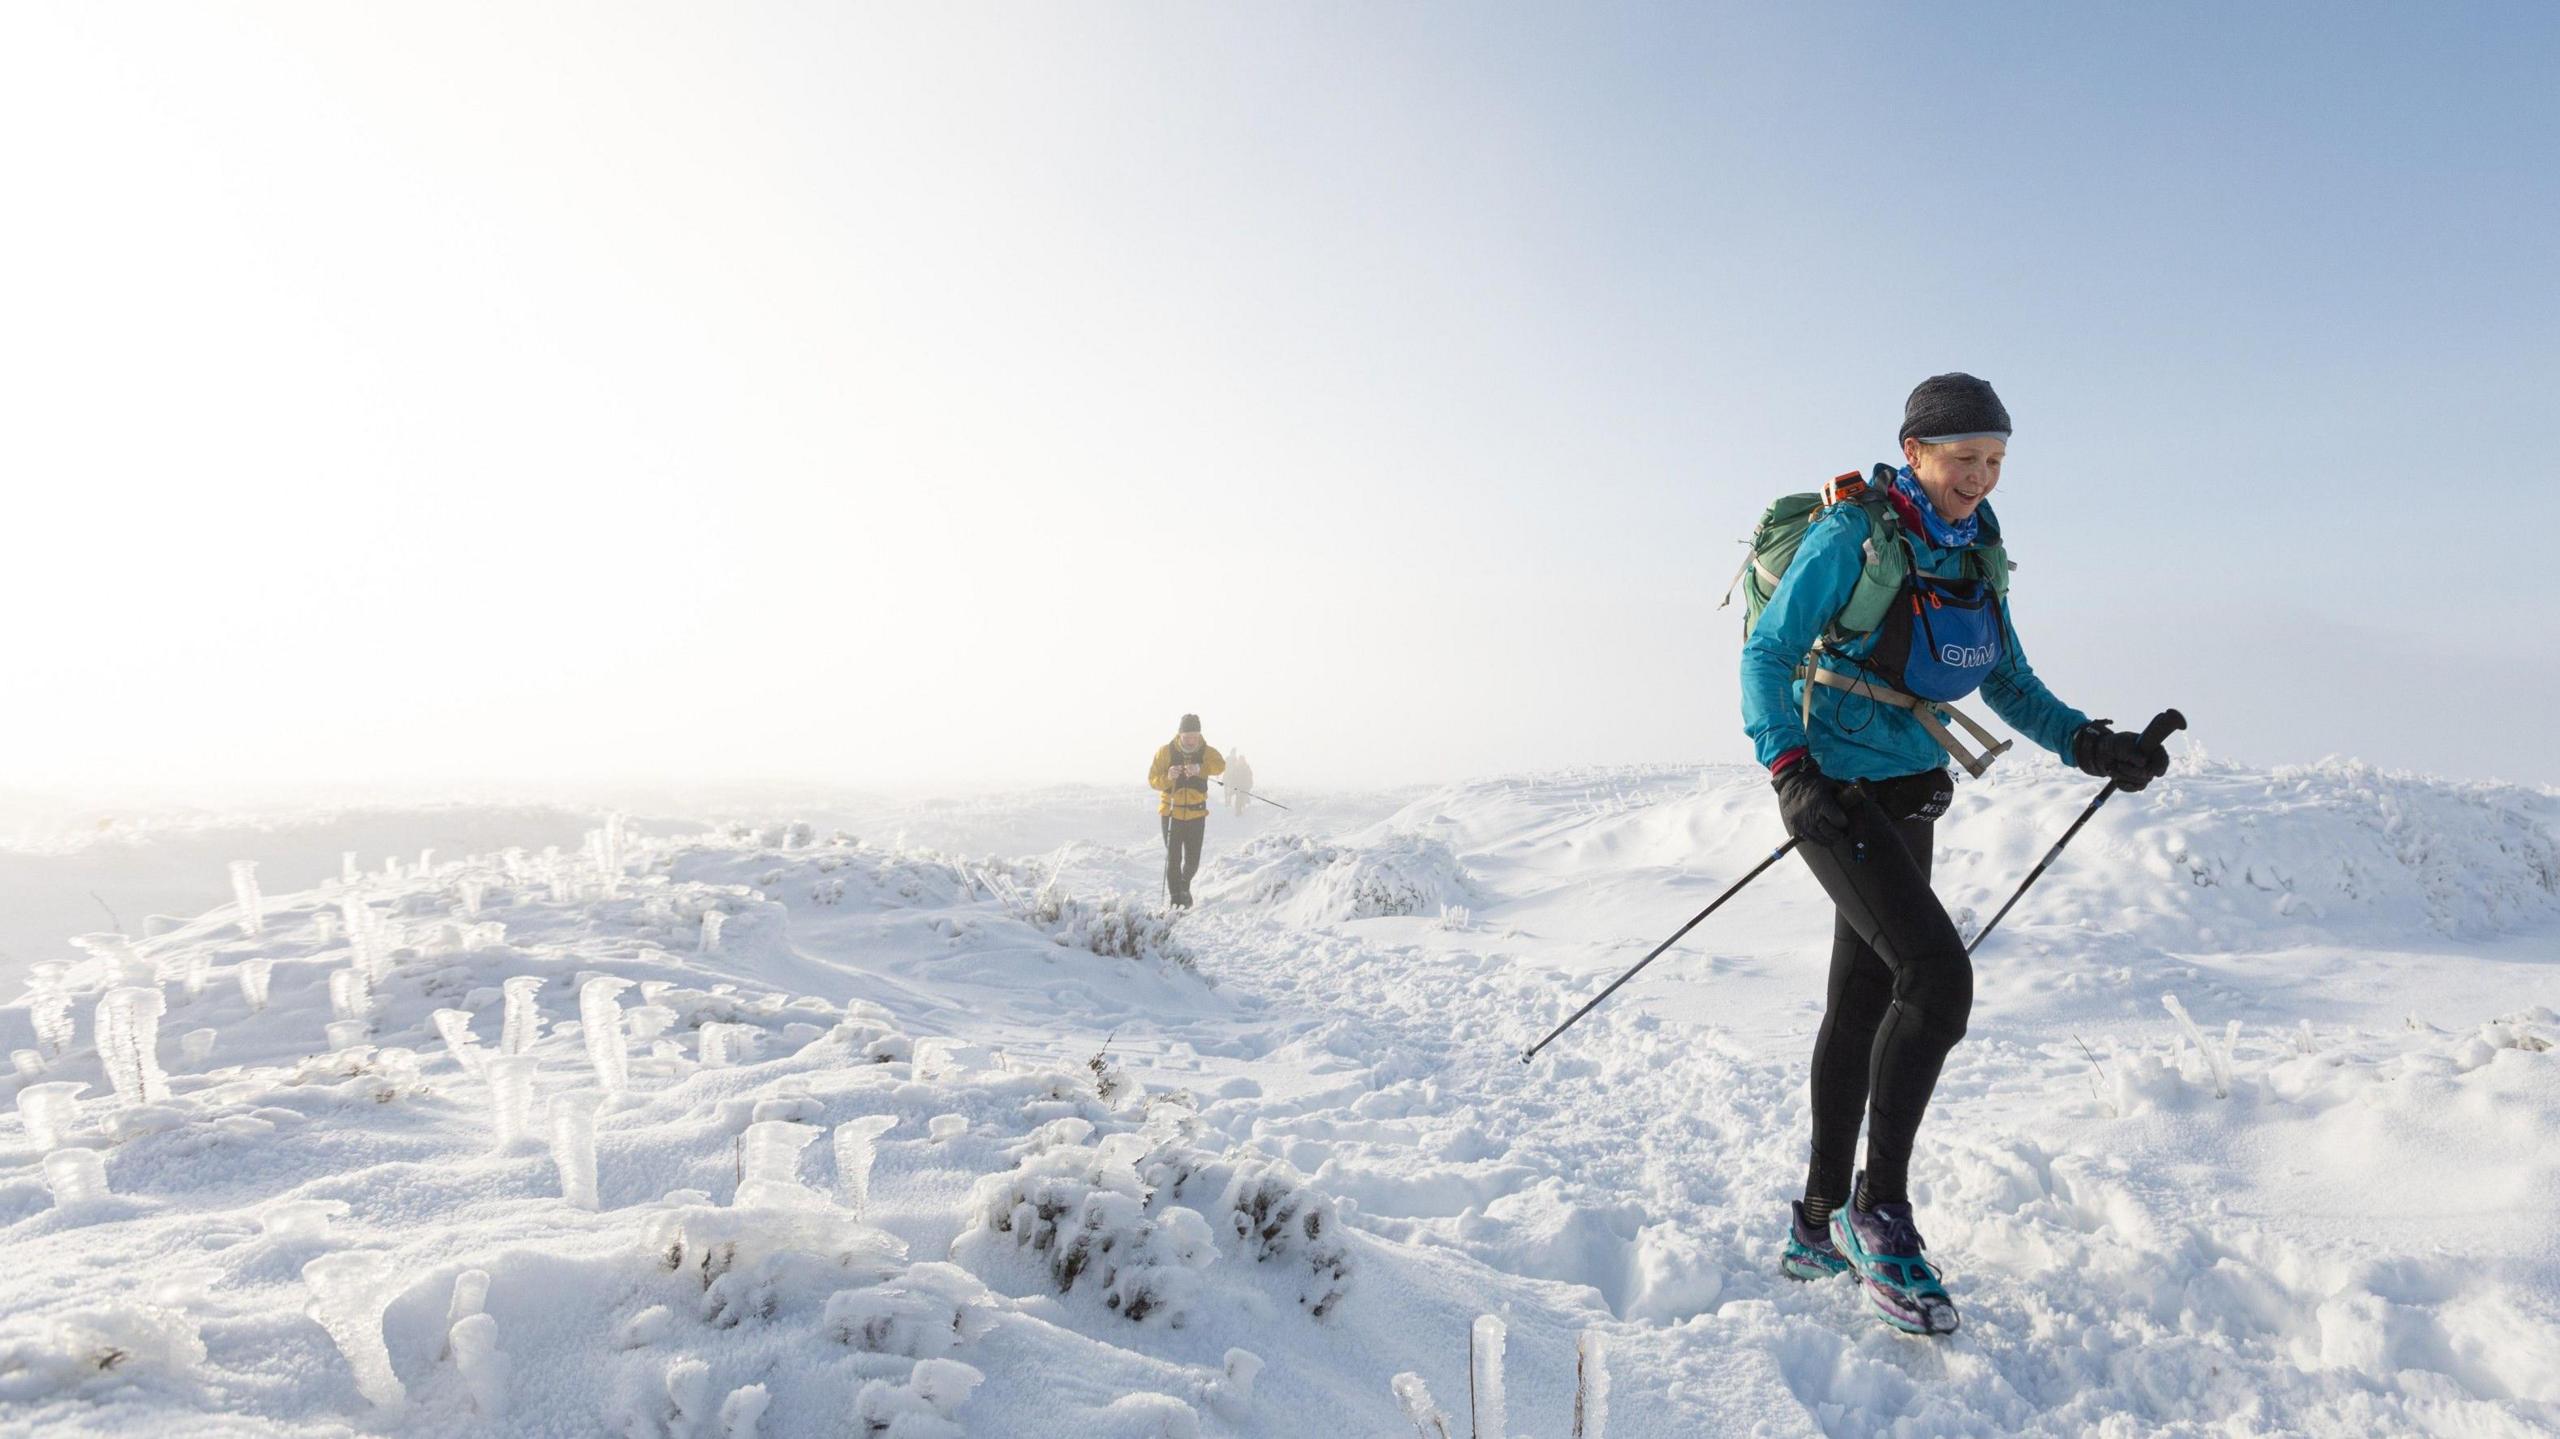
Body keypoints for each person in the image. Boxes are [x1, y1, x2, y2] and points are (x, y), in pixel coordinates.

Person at [1739, 373, 2171, 1335]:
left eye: (1997, 462)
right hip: (1832, 792)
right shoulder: (1854, 536)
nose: (1982, 479)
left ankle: (1816, 1224)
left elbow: (2006, 678)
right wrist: (1789, 769)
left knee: (1864, 997)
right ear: (1917, 450)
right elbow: (1767, 653)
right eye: (1967, 458)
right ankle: (1875, 1212)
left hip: (1907, 790)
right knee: (1937, 978)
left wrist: (2091, 743)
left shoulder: (1976, 548)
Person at [1148, 715, 1225, 909]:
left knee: (1192, 861)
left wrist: (1200, 768)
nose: (1192, 740)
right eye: (1188, 736)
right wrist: (1168, 777)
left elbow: (1220, 765)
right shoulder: (1164, 752)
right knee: (1173, 859)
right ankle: (1176, 901)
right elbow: (1152, 780)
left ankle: (1184, 884)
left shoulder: (1207, 751)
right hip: (1171, 814)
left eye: (1195, 736)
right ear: (1180, 734)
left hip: (1196, 815)